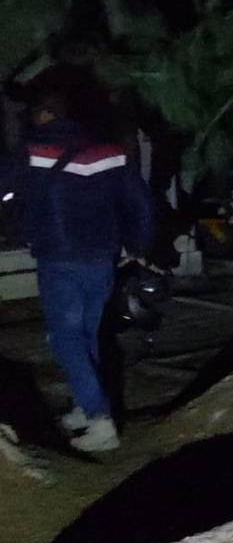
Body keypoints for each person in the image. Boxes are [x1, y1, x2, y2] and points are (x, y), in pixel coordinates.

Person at [11, 65, 154, 452]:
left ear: (47, 114)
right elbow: (139, 201)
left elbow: (7, 194)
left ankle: (98, 418)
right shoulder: (108, 151)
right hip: (101, 256)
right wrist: (136, 245)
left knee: (64, 338)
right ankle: (83, 404)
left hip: (59, 256)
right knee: (87, 333)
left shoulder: (33, 151)